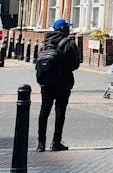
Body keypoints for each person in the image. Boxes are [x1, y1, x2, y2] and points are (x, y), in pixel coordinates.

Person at [36, 19, 81, 152]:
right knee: (60, 112)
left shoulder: (45, 43)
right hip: (63, 83)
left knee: (44, 111)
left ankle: (41, 143)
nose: (69, 30)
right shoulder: (69, 43)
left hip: (46, 83)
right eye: (67, 28)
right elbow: (75, 64)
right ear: (63, 29)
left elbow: (38, 61)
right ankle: (56, 142)